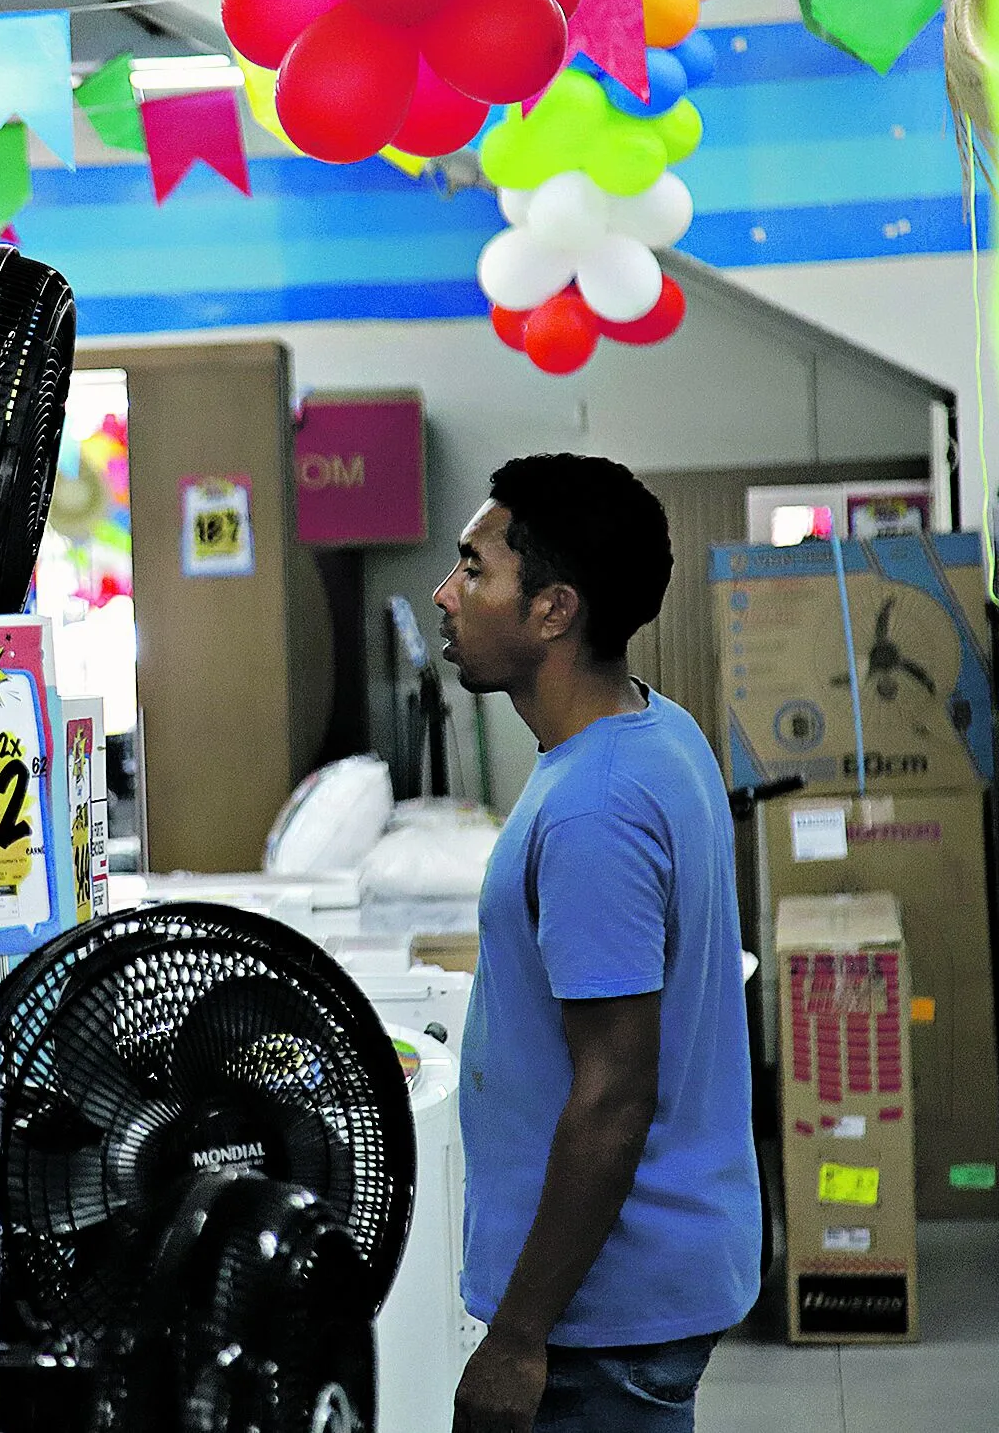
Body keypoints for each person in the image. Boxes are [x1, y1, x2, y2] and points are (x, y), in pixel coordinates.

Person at [431, 454, 759, 1433]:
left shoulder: (595, 808)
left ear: (550, 610)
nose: (445, 595)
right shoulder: (655, 731)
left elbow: (612, 1096)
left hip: (598, 1311)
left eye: (473, 569)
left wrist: (517, 1337)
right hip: (638, 1278)